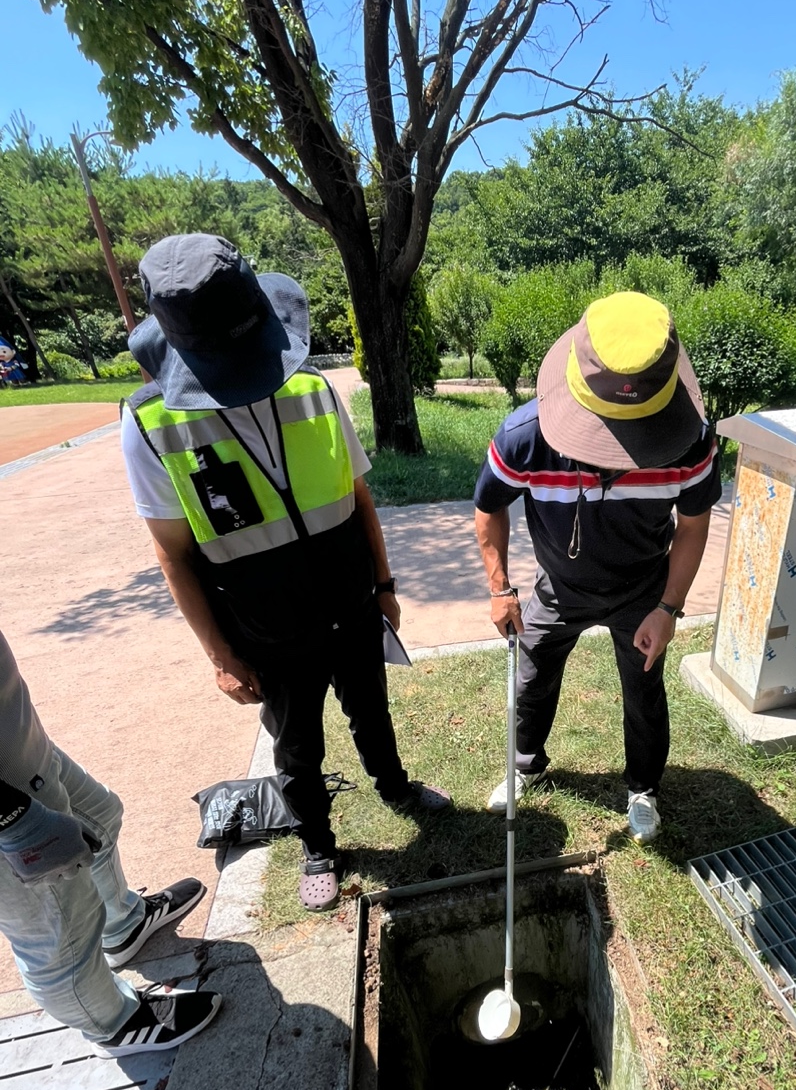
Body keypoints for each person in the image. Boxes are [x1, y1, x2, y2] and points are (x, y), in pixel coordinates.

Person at [122, 235, 451, 911]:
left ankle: (394, 786)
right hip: (267, 630)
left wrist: (384, 585)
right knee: (295, 749)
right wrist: (218, 653)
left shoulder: (309, 384)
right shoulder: (151, 422)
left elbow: (358, 494)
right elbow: (173, 554)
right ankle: (318, 844)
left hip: (352, 602)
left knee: (371, 712)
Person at [473, 290, 722, 844]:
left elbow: (695, 525)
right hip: (559, 587)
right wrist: (500, 588)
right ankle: (525, 765)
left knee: (644, 689)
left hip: (643, 590)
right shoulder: (524, 436)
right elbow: (489, 507)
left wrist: (668, 608)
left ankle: (643, 787)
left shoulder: (691, 442)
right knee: (532, 671)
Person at [0, 628, 219, 1056]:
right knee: (56, 931)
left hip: (20, 748)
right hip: (9, 803)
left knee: (100, 815)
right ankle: (112, 1023)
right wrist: (13, 818)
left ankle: (123, 926)